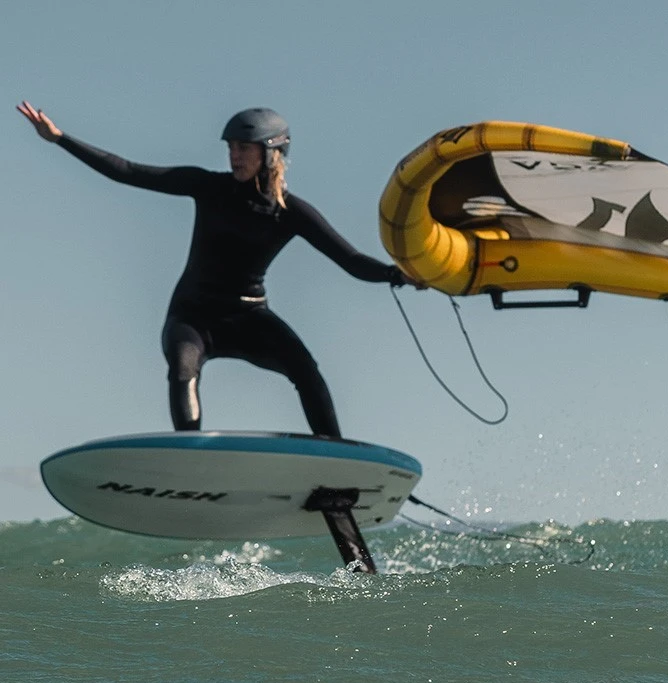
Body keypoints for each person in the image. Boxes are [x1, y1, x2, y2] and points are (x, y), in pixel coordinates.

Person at [17, 101, 411, 437]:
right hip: (193, 315)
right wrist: (60, 139)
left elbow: (351, 260)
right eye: (231, 147)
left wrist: (398, 275)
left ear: (271, 153)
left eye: (244, 147)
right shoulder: (208, 186)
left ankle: (335, 459)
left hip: (249, 316)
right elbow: (128, 171)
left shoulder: (291, 213)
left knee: (306, 370)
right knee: (183, 368)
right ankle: (191, 456)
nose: (234, 155)